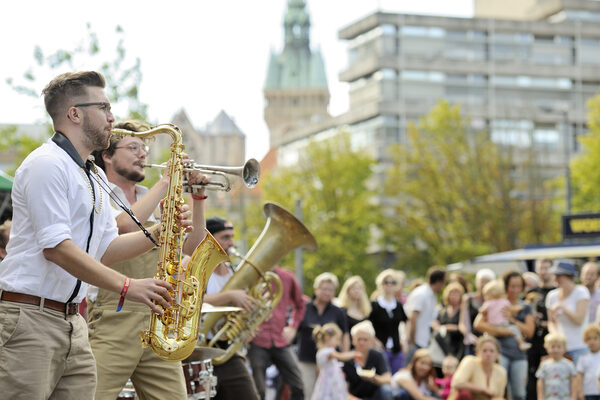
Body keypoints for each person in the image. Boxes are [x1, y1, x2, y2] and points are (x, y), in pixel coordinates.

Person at [0, 71, 184, 399]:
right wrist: (128, 286)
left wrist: (161, 231)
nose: (113, 117)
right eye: (104, 107)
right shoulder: (46, 164)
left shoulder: (94, 174)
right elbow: (56, 249)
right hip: (29, 319)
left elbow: (106, 248)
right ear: (75, 113)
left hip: (72, 321)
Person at [87, 119, 209, 399]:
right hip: (113, 319)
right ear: (107, 155)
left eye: (144, 148)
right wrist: (167, 181)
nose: (143, 154)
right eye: (133, 147)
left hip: (158, 320)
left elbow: (194, 246)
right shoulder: (98, 192)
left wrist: (197, 199)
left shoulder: (150, 196)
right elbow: (124, 227)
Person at [203, 216, 260, 400]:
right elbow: (192, 301)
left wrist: (246, 326)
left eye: (232, 237)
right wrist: (229, 295)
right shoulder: (199, 268)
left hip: (227, 350)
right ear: (210, 239)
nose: (232, 242)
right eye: (225, 237)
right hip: (200, 348)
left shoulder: (233, 270)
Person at [248, 264, 306, 400]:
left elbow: (300, 304)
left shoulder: (287, 277)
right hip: (257, 340)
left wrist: (293, 327)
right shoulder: (250, 275)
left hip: (280, 339)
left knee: (297, 385)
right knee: (259, 391)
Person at [474, 271, 534, 400]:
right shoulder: (495, 302)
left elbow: (529, 332)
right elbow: (478, 324)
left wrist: (513, 321)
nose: (515, 290)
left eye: (519, 286)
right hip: (499, 351)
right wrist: (503, 332)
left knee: (519, 393)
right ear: (505, 286)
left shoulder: (525, 306)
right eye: (512, 286)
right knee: (498, 390)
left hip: (518, 354)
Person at [297, 272, 350, 399]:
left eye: (331, 290)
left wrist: (345, 355)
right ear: (316, 289)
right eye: (324, 289)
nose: (327, 292)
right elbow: (295, 329)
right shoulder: (304, 308)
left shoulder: (338, 311)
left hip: (329, 364)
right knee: (308, 392)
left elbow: (345, 335)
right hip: (307, 359)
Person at [546, 261, 590, 365]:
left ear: (569, 277)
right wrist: (556, 337)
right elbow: (551, 322)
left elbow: (579, 320)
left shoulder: (581, 292)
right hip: (559, 350)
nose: (555, 279)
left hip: (579, 347)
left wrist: (563, 307)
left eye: (559, 276)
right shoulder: (552, 296)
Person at [526, 258, 556, 400]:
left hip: (550, 341)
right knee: (532, 375)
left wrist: (543, 323)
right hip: (533, 341)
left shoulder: (556, 291)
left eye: (546, 268)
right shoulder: (531, 292)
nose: (543, 272)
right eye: (540, 268)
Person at [342, 320, 394, 400]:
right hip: (354, 397)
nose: (362, 343)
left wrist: (373, 378)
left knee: (386, 391)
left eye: (365, 340)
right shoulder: (348, 359)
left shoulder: (378, 355)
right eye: (359, 339)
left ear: (372, 341)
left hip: (375, 396)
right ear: (353, 340)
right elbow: (343, 389)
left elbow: (387, 379)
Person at [405, 266, 446, 362]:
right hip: (415, 342)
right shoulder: (421, 294)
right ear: (439, 282)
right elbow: (413, 318)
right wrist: (412, 342)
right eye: (444, 282)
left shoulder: (432, 295)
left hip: (423, 342)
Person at [369, 269, 407, 373]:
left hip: (396, 349)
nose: (389, 285)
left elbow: (404, 322)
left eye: (393, 282)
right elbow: (367, 325)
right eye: (386, 282)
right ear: (381, 284)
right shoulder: (375, 305)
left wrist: (404, 339)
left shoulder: (398, 305)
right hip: (380, 349)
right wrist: (374, 340)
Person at [448, 335, 507, 400]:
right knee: (464, 394)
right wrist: (483, 390)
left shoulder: (501, 371)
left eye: (492, 351)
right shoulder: (470, 361)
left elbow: (498, 395)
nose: (488, 354)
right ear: (477, 352)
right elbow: (456, 383)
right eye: (484, 351)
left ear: (497, 354)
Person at [479, 279, 531, 351]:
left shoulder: (488, 303)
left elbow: (482, 310)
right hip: (503, 324)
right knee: (515, 330)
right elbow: (512, 309)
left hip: (492, 324)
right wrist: (519, 308)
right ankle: (521, 343)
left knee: (487, 336)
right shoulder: (504, 302)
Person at [311, 323, 357, 400]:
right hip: (329, 383)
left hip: (333, 380)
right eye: (337, 339)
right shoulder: (326, 352)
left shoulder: (328, 351)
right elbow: (340, 356)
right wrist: (354, 354)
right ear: (327, 337)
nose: (338, 343)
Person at [461, 268, 495, 356]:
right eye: (481, 281)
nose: (483, 284)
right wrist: (469, 336)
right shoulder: (468, 299)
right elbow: (462, 323)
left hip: (488, 343)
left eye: (486, 281)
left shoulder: (494, 301)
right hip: (471, 341)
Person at [431, 282, 465, 366]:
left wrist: (445, 327)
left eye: (457, 294)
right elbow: (435, 324)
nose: (454, 297)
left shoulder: (463, 311)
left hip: (458, 345)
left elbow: (462, 327)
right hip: (443, 346)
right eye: (452, 294)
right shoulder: (443, 311)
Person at [535, 332, 577, 400]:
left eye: (559, 347)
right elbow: (540, 382)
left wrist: (573, 397)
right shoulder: (544, 365)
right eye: (553, 347)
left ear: (564, 348)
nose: (556, 350)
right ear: (547, 348)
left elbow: (574, 381)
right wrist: (540, 397)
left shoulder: (569, 364)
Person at [338, 275, 372, 341]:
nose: (356, 291)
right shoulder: (342, 311)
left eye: (359, 288)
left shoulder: (366, 310)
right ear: (347, 291)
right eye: (353, 288)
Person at [577, 324, 600, 400]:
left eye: (595, 338)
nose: (592, 341)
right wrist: (579, 392)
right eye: (589, 339)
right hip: (589, 392)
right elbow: (580, 376)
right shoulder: (583, 357)